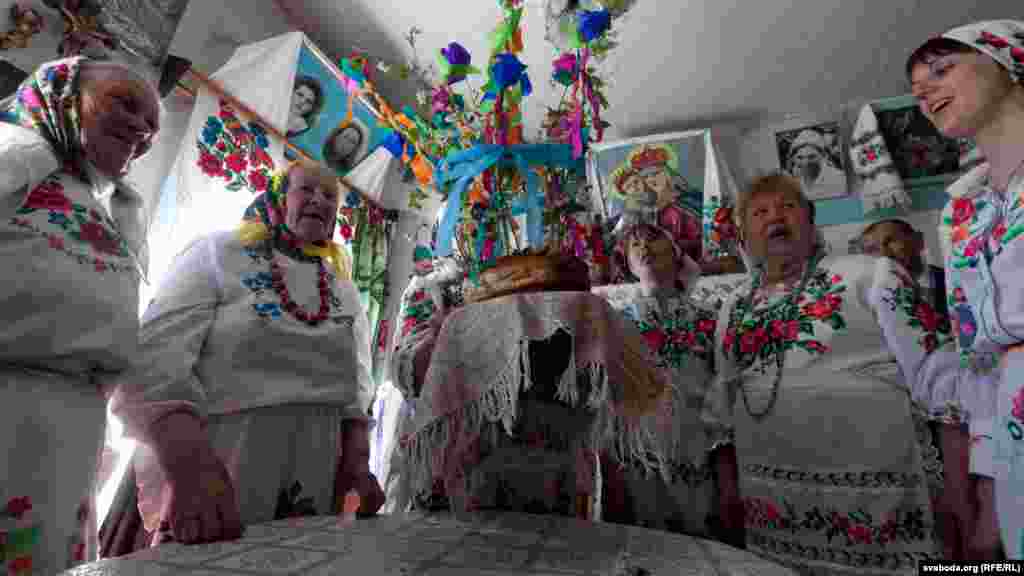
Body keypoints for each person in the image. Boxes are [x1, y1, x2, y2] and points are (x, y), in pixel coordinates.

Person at [107, 160, 384, 550]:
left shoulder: (342, 288)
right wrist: (192, 470)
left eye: (330, 197)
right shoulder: (217, 253)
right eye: (307, 190)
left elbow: (356, 392)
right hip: (222, 464)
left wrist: (356, 465)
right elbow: (152, 365)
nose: (320, 201)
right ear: (276, 195)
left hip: (316, 475)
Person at [703, 174, 968, 573]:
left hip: (887, 510)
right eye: (759, 212)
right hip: (775, 516)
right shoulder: (733, 306)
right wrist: (727, 492)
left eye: (788, 206)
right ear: (743, 236)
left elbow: (941, 379)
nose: (775, 215)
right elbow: (721, 410)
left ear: (811, 224)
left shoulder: (872, 274)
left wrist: (961, 497)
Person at [0, 55, 160, 572]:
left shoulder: (112, 210)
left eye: (152, 126)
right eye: (125, 103)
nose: (141, 127)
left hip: (69, 436)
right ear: (61, 93)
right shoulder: (8, 155)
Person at [907, 19, 1024, 559]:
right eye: (916, 86)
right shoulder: (959, 211)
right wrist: (987, 482)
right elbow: (976, 356)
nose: (923, 90)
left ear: (1010, 65)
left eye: (941, 69)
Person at [599, 216, 717, 537]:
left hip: (698, 446)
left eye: (653, 238)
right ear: (628, 264)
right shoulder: (615, 323)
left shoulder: (709, 317)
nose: (643, 247)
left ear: (677, 250)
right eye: (634, 243)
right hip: (641, 451)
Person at [859, 218, 948, 317]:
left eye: (889, 241)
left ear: (918, 240)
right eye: (872, 249)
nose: (884, 253)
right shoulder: (868, 298)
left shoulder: (952, 281)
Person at [785, 129, 847, 199]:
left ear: (824, 156)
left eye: (812, 156)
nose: (805, 162)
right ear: (793, 159)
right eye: (800, 157)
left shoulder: (840, 179)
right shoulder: (795, 183)